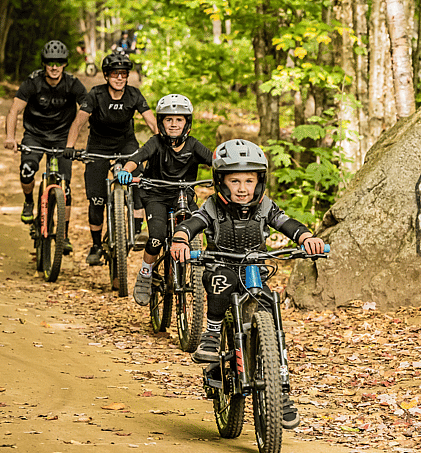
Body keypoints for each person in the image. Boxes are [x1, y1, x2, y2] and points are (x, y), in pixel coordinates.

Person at [168, 139, 325, 427]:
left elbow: (287, 223)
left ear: (259, 181)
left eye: (249, 180)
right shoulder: (213, 206)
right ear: (221, 182)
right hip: (221, 264)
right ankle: (213, 334)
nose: (242, 188)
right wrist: (180, 239)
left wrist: (307, 238)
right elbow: (193, 223)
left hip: (253, 269)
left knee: (269, 308)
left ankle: (281, 390)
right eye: (235, 180)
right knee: (221, 282)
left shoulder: (265, 206)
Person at [115, 94, 213, 305]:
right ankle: (145, 273)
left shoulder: (194, 145)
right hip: (156, 195)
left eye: (179, 120)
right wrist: (126, 170)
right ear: (161, 122)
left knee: (203, 226)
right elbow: (137, 158)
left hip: (183, 197)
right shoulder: (156, 143)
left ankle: (203, 273)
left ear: (187, 123)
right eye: (169, 119)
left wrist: (228, 173)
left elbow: (215, 161)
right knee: (157, 236)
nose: (174, 124)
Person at [65, 52, 158, 266]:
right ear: (106, 75)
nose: (120, 78)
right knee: (96, 199)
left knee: (138, 182)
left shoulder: (134, 95)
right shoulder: (96, 95)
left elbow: (152, 122)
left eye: (123, 74)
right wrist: (70, 147)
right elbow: (78, 123)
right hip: (98, 146)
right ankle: (96, 245)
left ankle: (137, 229)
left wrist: (164, 143)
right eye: (115, 74)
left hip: (126, 144)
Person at [4, 40, 87, 255]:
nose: (54, 66)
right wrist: (10, 137)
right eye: (50, 62)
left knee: (66, 186)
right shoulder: (33, 82)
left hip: (62, 138)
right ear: (44, 64)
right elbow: (14, 110)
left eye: (59, 62)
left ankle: (64, 235)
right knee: (27, 171)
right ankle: (29, 201)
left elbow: (89, 107)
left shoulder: (72, 83)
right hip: (35, 136)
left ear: (64, 64)